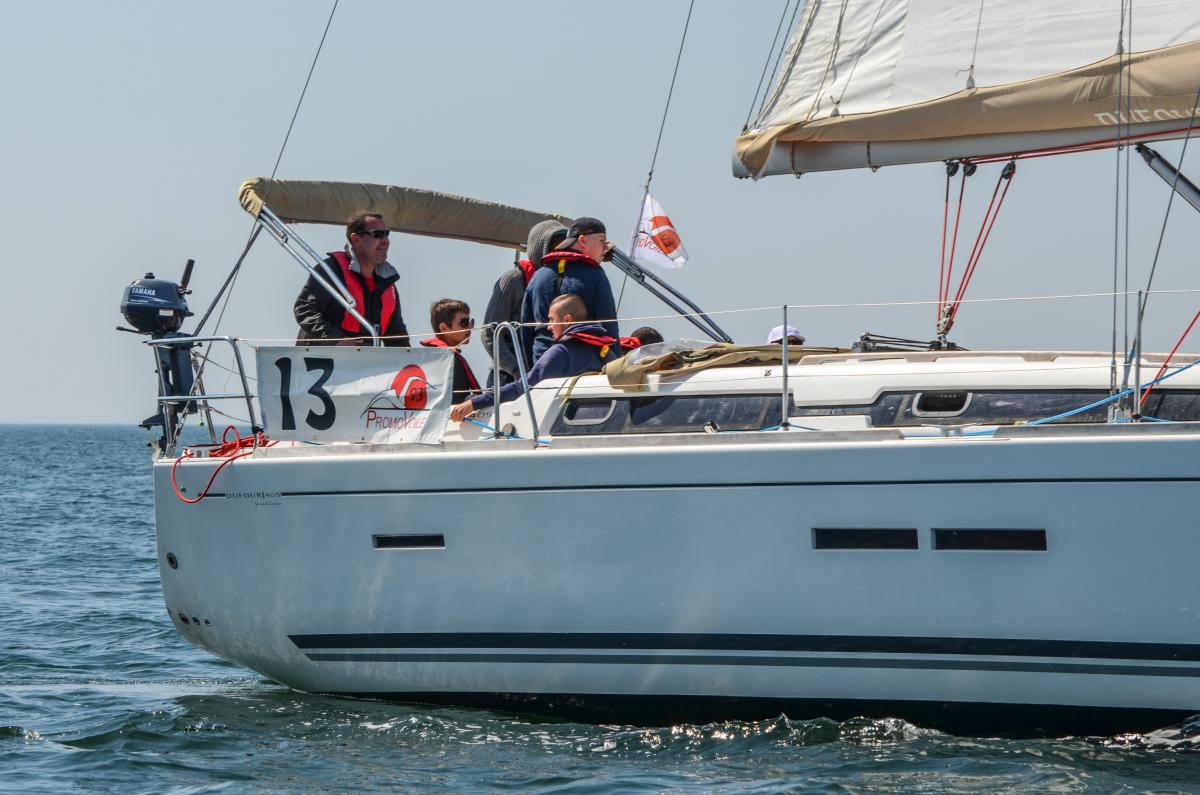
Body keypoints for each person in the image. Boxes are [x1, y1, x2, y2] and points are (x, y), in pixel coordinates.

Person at [451, 293, 619, 422]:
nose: (549, 327)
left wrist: (475, 403)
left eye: (552, 320)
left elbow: (523, 386)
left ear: (567, 319)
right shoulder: (605, 351)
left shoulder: (561, 352)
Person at [294, 212, 410, 346]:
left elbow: (397, 335)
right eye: (378, 234)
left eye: (386, 234)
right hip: (322, 357)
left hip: (365, 358)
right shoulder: (331, 270)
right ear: (356, 239)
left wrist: (409, 357)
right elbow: (304, 309)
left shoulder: (387, 282)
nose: (385, 240)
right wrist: (335, 339)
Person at [521, 216, 618, 366]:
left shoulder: (538, 276)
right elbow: (609, 328)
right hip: (584, 368)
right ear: (583, 240)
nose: (606, 247)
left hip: (543, 365)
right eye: (601, 240)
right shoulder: (596, 276)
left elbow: (526, 330)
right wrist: (615, 366)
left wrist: (532, 370)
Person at [481, 220, 566, 387]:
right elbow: (490, 333)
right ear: (539, 248)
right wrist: (515, 368)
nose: (560, 253)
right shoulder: (513, 279)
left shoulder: (562, 282)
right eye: (555, 247)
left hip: (545, 374)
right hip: (508, 377)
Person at [421, 299, 482, 400]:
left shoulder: (433, 356)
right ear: (444, 328)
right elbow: (455, 399)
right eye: (464, 322)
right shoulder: (445, 359)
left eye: (471, 322)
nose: (470, 327)